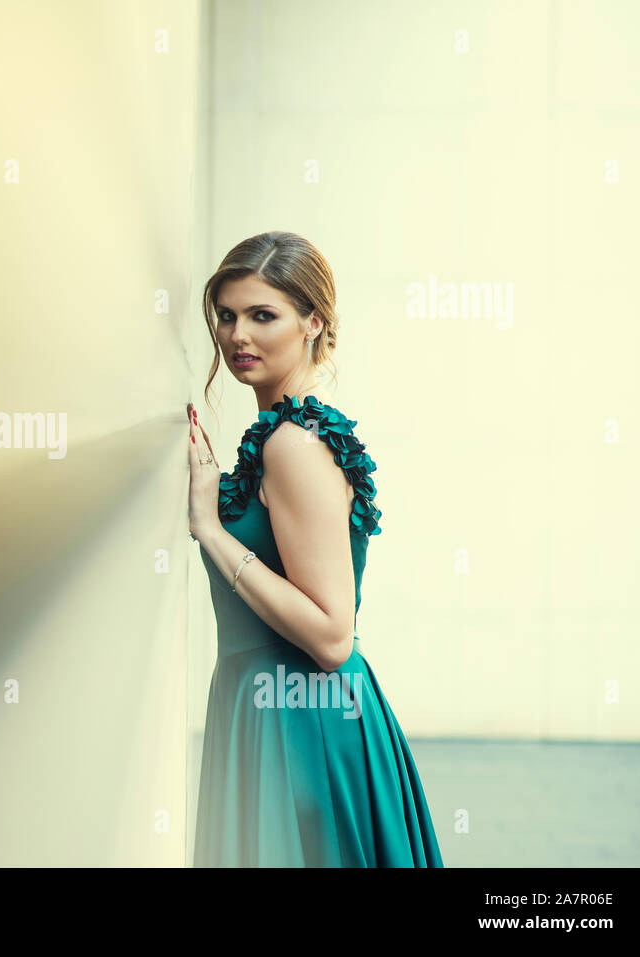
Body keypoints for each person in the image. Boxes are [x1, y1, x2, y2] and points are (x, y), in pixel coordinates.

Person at [187, 230, 444, 867]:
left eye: (262, 315)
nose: (237, 335)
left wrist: (212, 532)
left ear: (312, 323)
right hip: (273, 706)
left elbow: (332, 637)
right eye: (226, 315)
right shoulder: (281, 437)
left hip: (301, 718)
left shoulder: (292, 446)